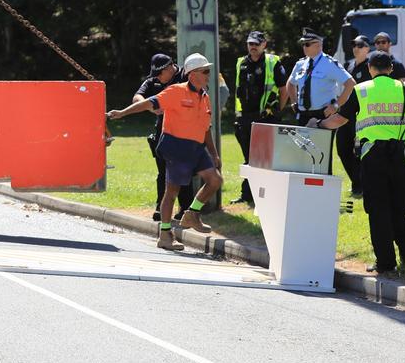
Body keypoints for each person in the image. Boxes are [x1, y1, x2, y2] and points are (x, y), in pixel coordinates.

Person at [316, 50, 405, 273]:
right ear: (391, 68)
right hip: (399, 156)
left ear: (370, 69)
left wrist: (319, 124)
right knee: (400, 206)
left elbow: (339, 119)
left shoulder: (362, 90)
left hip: (372, 157)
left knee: (378, 209)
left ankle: (386, 264)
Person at [107, 53, 225, 251]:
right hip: (176, 146)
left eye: (208, 71)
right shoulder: (175, 91)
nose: (208, 75)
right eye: (205, 71)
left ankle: (192, 214)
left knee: (215, 180)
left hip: (196, 148)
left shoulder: (205, 97)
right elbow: (146, 102)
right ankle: (164, 235)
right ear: (193, 74)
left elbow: (206, 129)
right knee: (171, 192)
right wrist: (123, 113)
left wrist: (214, 154)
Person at [230, 31, 288, 206]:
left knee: (265, 159)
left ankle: (266, 195)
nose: (253, 47)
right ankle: (247, 194)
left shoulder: (272, 63)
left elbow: (283, 89)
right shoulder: (242, 63)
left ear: (264, 45)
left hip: (266, 117)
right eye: (250, 44)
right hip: (246, 117)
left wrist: (279, 110)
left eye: (256, 44)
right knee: (249, 159)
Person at [135, 53, 193, 222]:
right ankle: (161, 207)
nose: (159, 78)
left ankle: (185, 209)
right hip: (163, 133)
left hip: (184, 132)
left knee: (183, 171)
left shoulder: (185, 76)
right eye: (157, 74)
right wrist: (151, 108)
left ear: (170, 67)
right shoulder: (154, 80)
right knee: (163, 173)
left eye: (161, 73)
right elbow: (137, 97)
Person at [285, 28, 356, 157]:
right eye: (303, 44)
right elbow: (290, 83)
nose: (304, 47)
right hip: (302, 116)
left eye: (307, 44)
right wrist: (294, 101)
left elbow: (350, 83)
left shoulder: (329, 63)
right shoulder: (301, 64)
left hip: (322, 116)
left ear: (318, 45)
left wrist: (336, 106)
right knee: (301, 156)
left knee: (320, 156)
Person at [340, 35, 373, 196]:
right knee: (342, 148)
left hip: (362, 115)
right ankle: (356, 181)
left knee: (359, 150)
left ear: (367, 48)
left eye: (360, 45)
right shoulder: (348, 65)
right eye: (354, 45)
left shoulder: (370, 67)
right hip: (347, 114)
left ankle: (362, 185)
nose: (355, 48)